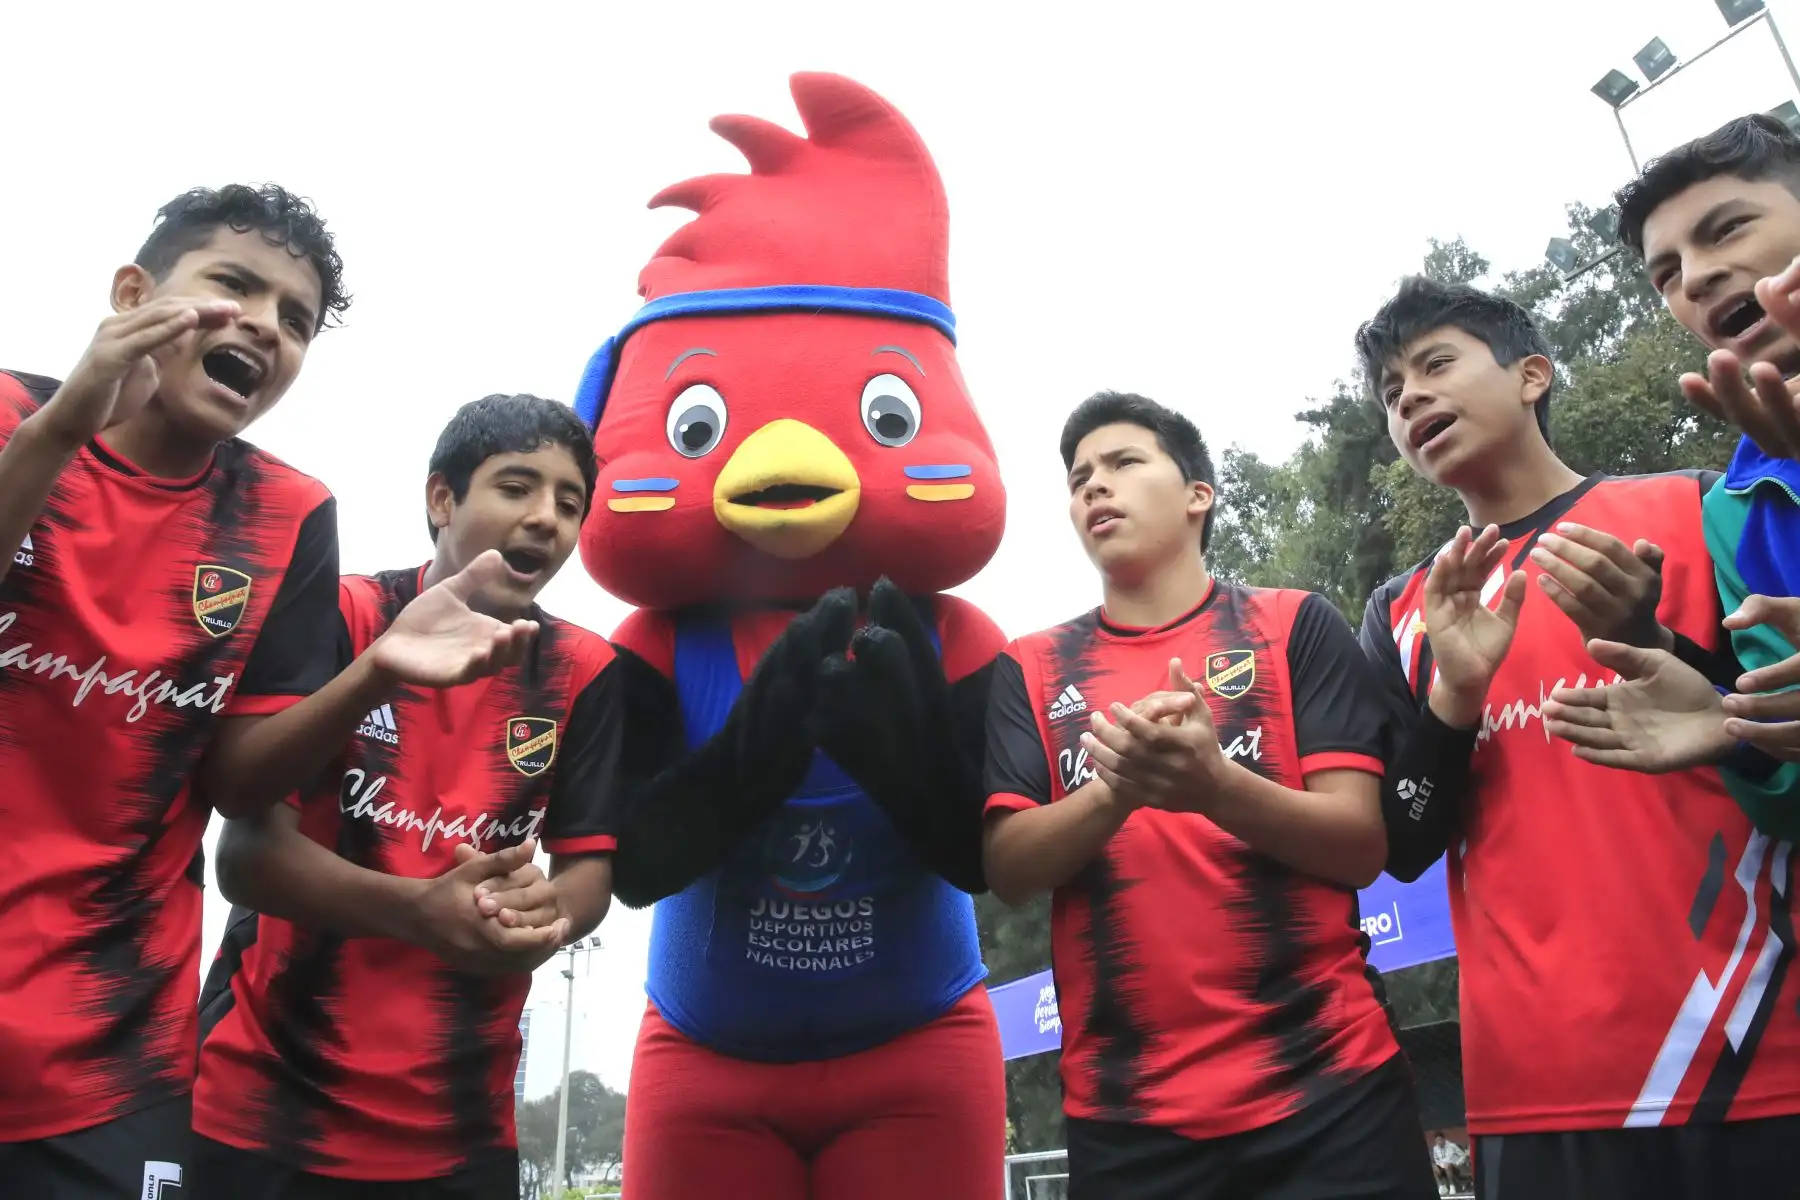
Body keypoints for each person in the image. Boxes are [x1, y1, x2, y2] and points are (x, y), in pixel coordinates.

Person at [0, 185, 538, 1200]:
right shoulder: (14, 416)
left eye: (294, 320)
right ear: (132, 295)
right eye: (234, 285)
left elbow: (240, 785)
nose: (265, 325)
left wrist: (372, 672)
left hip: (111, 1055)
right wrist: (67, 424)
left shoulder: (288, 515)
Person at [1355, 276, 1800, 1198]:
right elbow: (1400, 846)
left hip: (1755, 1045)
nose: (1412, 401)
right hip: (1539, 1087)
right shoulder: (1401, 612)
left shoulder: (1697, 506)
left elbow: (1778, 740)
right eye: (1393, 394)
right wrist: (1454, 701)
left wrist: (1654, 641)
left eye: (1436, 365)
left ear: (1532, 375)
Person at [982, 390, 1437, 1200]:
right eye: (1079, 476)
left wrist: (1215, 785)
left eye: (1123, 462)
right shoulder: (1029, 666)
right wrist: (1117, 790)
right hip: (1127, 1119)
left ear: (1199, 493)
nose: (1094, 486)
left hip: (1334, 1089)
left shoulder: (1293, 624)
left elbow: (1362, 845)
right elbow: (1010, 869)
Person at [189, 393, 622, 1199]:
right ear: (441, 498)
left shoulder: (586, 671)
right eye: (516, 487)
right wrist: (423, 910)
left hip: (459, 1134)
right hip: (261, 1116)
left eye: (570, 503)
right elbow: (245, 856)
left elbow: (589, 873)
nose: (545, 520)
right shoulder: (349, 616)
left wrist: (542, 917)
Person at [1538, 115, 1800, 830]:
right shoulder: (1735, 508)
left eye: (1727, 229)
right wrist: (1734, 731)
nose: (1696, 276)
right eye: (1667, 272)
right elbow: (1790, 799)